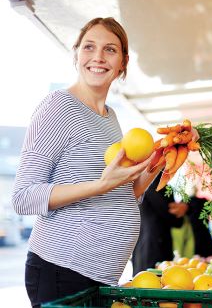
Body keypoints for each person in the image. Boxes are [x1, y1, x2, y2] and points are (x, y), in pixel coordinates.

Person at [11, 17, 165, 308]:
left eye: (110, 50)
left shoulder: (110, 117)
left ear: (123, 62)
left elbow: (120, 193)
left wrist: (157, 163)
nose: (98, 57)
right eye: (89, 47)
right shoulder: (58, 107)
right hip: (62, 269)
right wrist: (100, 185)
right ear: (76, 54)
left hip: (100, 276)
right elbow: (23, 197)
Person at [132, 172, 184, 275]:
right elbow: (175, 219)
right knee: (153, 282)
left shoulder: (142, 184)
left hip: (145, 244)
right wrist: (183, 209)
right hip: (155, 247)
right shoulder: (155, 185)